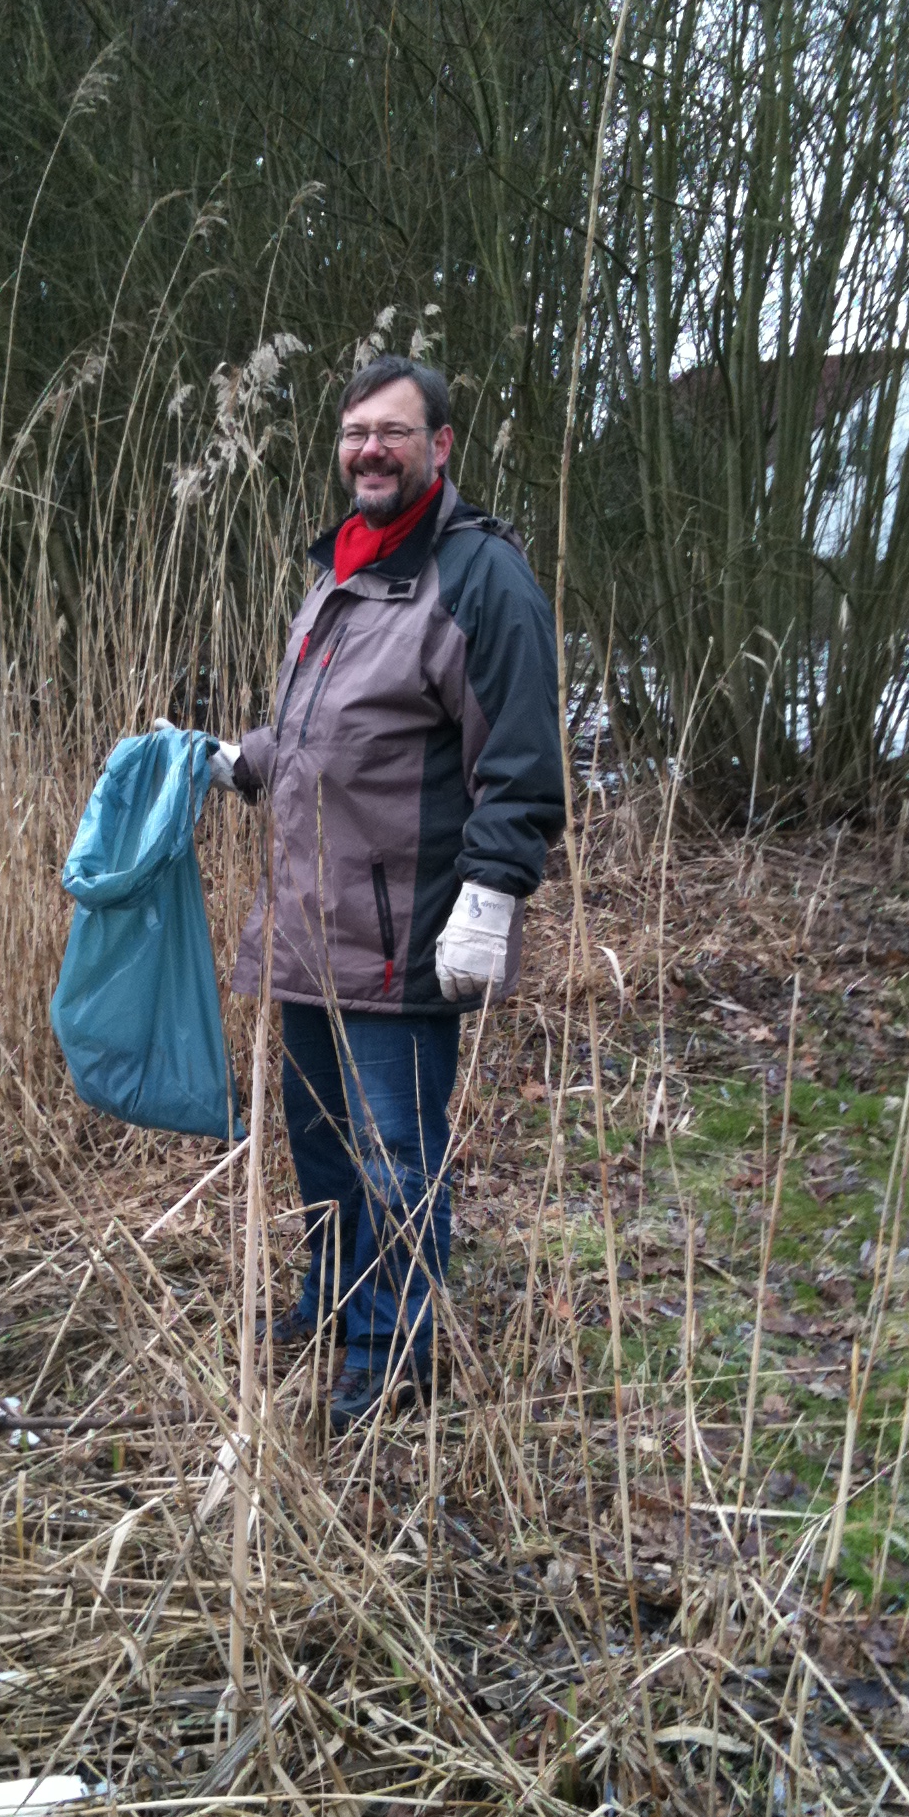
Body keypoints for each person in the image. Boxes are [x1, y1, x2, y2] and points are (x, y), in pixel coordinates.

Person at [202, 355, 563, 1431]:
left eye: (394, 432)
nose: (371, 448)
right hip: (310, 925)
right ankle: (335, 1297)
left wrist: (493, 894)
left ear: (440, 446)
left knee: (397, 1151)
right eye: (357, 430)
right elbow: (339, 731)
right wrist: (244, 758)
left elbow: (522, 760)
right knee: (318, 1140)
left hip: (404, 934)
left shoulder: (480, 577)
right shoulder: (341, 568)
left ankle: (397, 1344)